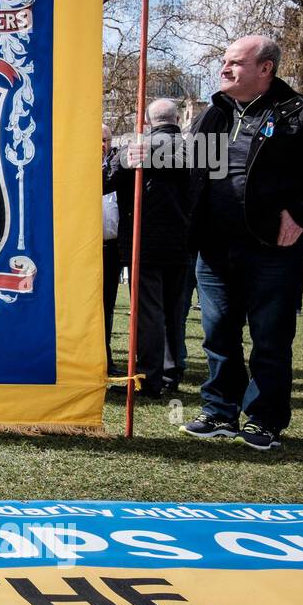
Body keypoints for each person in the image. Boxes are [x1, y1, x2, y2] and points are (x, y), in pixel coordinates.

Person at [180, 35, 303, 449]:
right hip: (213, 248)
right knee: (218, 334)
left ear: (265, 68)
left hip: (271, 248)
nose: (224, 69)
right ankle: (219, 412)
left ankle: (263, 419)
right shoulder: (215, 114)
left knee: (269, 337)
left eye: (234, 62)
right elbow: (192, 167)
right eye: (223, 61)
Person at [109, 98, 194, 397]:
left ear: (148, 120)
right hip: (183, 243)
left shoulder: (137, 148)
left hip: (144, 243)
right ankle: (171, 373)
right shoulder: (196, 149)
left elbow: (105, 180)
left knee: (148, 314)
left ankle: (149, 376)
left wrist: (118, 159)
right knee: (174, 312)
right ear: (176, 119)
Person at [101, 124, 122, 376]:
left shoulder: (119, 171)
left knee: (107, 306)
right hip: (83, 249)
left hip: (111, 249)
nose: (101, 144)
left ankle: (106, 360)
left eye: (105, 139)